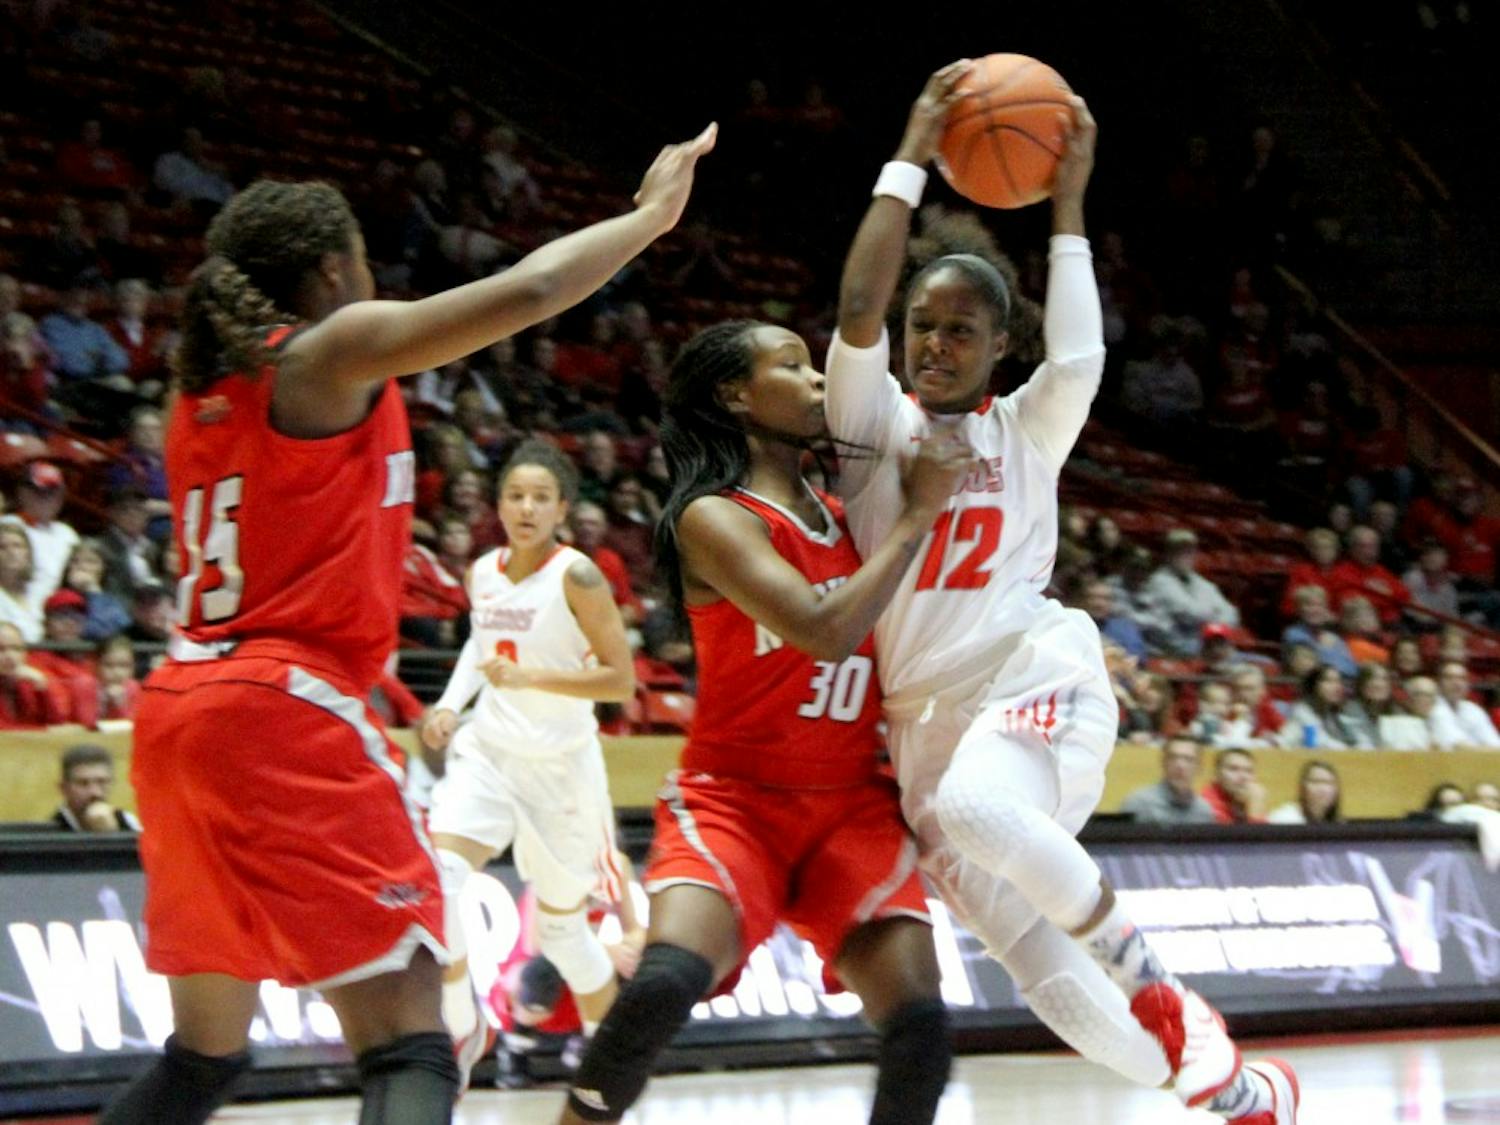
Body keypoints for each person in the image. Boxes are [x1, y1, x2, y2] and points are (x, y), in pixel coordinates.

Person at [101, 121, 717, 1125]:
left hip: (178, 711)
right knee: (412, 1046)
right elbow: (525, 294)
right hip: (282, 706)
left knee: (201, 1058)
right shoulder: (325, 353)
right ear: (333, 270)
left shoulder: (198, 392)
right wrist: (648, 219)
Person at [825, 64, 1294, 1122]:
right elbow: (857, 305)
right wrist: (909, 149)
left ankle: (1158, 989)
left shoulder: (1024, 430)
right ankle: (1241, 1091)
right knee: (1042, 979)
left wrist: (1071, 202)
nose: (933, 345)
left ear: (1000, 348)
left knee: (983, 807)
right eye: (923, 327)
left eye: (959, 330)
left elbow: (1081, 354)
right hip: (924, 732)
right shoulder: (872, 432)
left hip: (1031, 683)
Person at [558, 320, 970, 1125]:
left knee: (921, 1024)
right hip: (736, 799)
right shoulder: (712, 517)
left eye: (818, 368)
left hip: (850, 800)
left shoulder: (853, 512)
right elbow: (823, 627)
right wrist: (920, 514)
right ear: (735, 395)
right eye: (794, 366)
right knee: (663, 983)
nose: (819, 381)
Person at [418, 441, 637, 1090]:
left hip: (562, 767)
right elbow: (480, 648)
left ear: (563, 508)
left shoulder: (580, 576)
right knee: (439, 874)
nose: (526, 507)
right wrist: (452, 704)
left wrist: (529, 675)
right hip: (490, 752)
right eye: (515, 495)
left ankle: (608, 1062)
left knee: (566, 934)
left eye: (541, 497)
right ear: (498, 505)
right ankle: (464, 1018)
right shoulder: (483, 569)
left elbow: (619, 680)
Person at [1120, 736, 1219, 825]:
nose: (1180, 765)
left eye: (1188, 759)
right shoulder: (1139, 803)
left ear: (1199, 766)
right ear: (1163, 762)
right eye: (1173, 757)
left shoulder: (1204, 810)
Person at [52, 743, 142, 831]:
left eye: (102, 782)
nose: (94, 792)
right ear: (64, 788)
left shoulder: (129, 823)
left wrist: (112, 832)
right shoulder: (50, 831)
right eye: (83, 783)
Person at [1278, 665, 1366, 749]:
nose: (1336, 687)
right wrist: (1348, 749)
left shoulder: (1335, 714)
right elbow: (1321, 742)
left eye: (1338, 681)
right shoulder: (1302, 711)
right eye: (1329, 681)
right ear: (1314, 685)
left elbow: (1356, 738)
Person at [1432, 660, 1500, 749]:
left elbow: (1495, 743)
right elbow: (1458, 746)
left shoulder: (1474, 709)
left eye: (1461, 678)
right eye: (1449, 678)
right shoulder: (1433, 707)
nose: (1456, 683)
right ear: (1438, 683)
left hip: (1478, 760)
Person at [1202, 748, 1267, 824]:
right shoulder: (1207, 806)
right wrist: (1256, 808)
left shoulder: (1245, 799)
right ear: (1216, 775)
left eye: (1249, 771)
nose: (1243, 776)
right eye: (1233, 769)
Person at [1267, 760, 1342, 825]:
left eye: (1329, 783)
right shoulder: (1284, 818)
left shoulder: (1339, 824)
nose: (1323, 789)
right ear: (1302, 788)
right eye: (1316, 782)